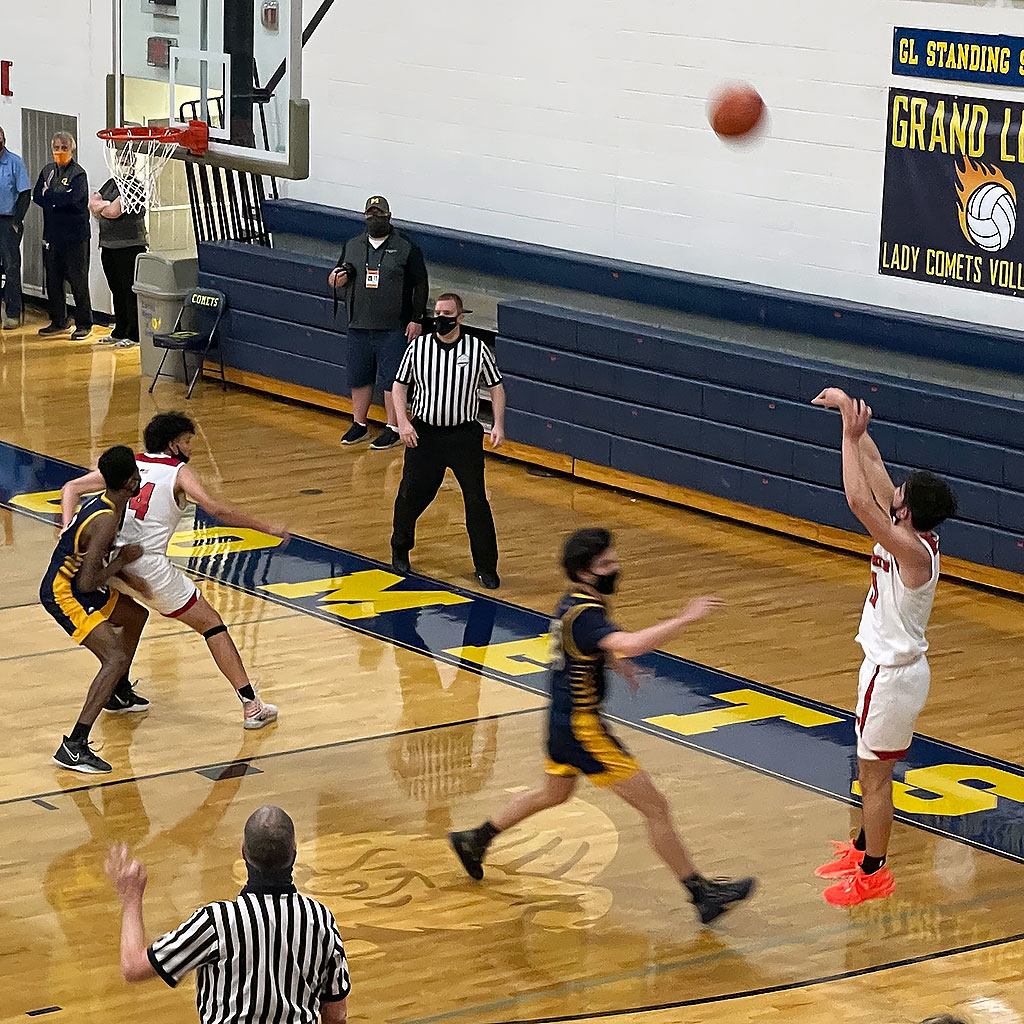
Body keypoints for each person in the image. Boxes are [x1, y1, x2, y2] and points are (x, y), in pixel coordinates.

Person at [448, 528, 756, 925]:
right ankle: (701, 895)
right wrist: (684, 617)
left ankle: (475, 840)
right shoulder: (588, 614)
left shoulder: (573, 602)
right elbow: (628, 642)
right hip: (583, 729)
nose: (616, 569)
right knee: (656, 808)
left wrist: (615, 664)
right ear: (585, 572)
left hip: (559, 722)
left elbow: (587, 647)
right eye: (606, 564)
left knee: (553, 793)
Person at [811, 387, 957, 907]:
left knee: (875, 779)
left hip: (894, 676)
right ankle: (861, 849)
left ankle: (875, 872)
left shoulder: (913, 552)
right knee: (867, 771)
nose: (893, 490)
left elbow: (856, 500)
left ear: (908, 509)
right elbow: (870, 463)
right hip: (881, 669)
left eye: (901, 492)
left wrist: (850, 440)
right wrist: (849, 415)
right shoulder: (908, 527)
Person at [60, 412, 285, 728]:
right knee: (212, 625)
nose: (191, 448)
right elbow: (217, 509)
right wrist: (266, 527)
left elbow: (70, 488)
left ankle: (118, 691)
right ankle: (251, 706)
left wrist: (67, 526)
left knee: (135, 616)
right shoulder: (180, 472)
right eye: (188, 441)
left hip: (111, 565)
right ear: (173, 444)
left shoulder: (129, 464)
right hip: (148, 568)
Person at [105, 805, 351, 1024]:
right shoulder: (320, 921)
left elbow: (133, 967)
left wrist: (131, 897)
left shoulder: (217, 922)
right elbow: (336, 1014)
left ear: (244, 852)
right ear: (294, 853)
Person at [40, 445, 150, 774]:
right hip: (65, 591)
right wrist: (122, 560)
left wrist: (121, 566)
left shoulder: (109, 504)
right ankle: (73, 745)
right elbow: (88, 583)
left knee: (135, 616)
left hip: (78, 583)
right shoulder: (104, 518)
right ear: (132, 482)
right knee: (114, 657)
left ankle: (116, 692)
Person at [390, 293, 505, 589]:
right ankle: (400, 547)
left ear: (460, 317)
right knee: (412, 495)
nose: (441, 318)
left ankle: (486, 567)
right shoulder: (419, 347)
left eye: (447, 313)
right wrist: (403, 422)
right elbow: (399, 385)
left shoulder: (476, 348)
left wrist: (498, 425)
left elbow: (496, 387)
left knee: (477, 501)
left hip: (463, 436)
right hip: (425, 434)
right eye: (438, 313)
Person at [328, 195, 428, 450]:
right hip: (358, 323)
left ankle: (393, 426)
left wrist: (416, 319)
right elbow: (341, 272)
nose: (375, 219)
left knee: (392, 378)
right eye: (370, 214)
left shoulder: (406, 246)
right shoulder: (353, 244)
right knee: (359, 376)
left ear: (389, 215)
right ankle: (359, 423)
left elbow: (420, 284)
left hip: (393, 326)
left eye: (379, 214)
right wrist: (336, 279)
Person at [32, 130, 93, 340]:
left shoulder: (78, 174)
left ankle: (84, 323)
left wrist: (50, 195)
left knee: (78, 281)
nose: (59, 152)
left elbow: (74, 199)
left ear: (71, 150)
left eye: (64, 148)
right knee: (53, 279)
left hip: (75, 237)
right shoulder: (48, 170)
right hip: (52, 235)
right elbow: (36, 195)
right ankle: (59, 320)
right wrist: (54, 197)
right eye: (56, 148)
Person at [89, 152, 148, 348]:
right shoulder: (112, 183)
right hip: (108, 244)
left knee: (128, 290)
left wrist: (103, 207)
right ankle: (120, 329)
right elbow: (92, 203)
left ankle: (134, 334)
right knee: (116, 289)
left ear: (133, 163)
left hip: (129, 246)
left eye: (126, 159)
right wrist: (106, 206)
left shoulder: (135, 186)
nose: (122, 163)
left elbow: (114, 212)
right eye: (120, 159)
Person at [0, 124, 31, 330]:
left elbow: (25, 194)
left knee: (11, 267)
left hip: (7, 221)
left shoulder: (14, 162)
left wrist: (16, 222)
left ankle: (13, 312)